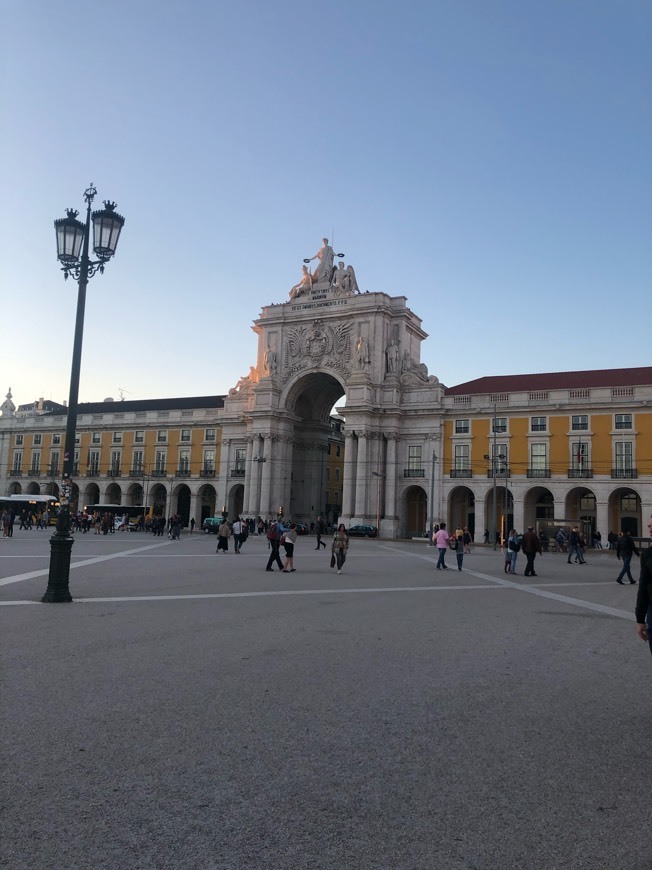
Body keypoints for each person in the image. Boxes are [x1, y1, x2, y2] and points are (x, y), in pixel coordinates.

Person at [634, 516, 652, 656]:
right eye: (649, 526)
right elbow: (643, 588)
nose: (650, 529)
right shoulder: (648, 554)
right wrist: (640, 619)